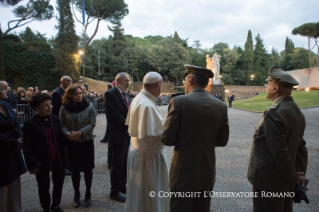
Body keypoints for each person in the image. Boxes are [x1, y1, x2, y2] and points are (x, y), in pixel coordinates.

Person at [161, 65, 229, 212]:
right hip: (206, 172)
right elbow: (222, 141)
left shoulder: (179, 102)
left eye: (185, 80)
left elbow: (167, 139)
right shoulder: (221, 106)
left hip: (183, 173)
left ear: (190, 80)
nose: (185, 83)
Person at [247, 66, 308, 212]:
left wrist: (294, 178)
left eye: (268, 84)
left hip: (270, 182)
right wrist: (299, 173)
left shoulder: (274, 114)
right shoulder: (296, 111)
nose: (266, 87)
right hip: (284, 181)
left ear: (275, 88)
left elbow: (280, 153)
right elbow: (301, 148)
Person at [125, 72, 169, 212]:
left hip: (140, 155)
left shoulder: (140, 98)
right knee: (150, 196)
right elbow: (153, 140)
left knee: (140, 197)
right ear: (157, 85)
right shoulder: (146, 105)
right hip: (149, 160)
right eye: (161, 85)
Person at [23, 93, 66, 212]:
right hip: (41, 161)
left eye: (50, 104)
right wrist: (32, 164)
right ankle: (46, 207)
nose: (50, 107)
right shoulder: (30, 123)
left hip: (58, 158)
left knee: (59, 183)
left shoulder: (55, 119)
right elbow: (27, 146)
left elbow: (61, 139)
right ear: (37, 108)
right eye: (45, 105)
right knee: (43, 185)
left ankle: (56, 205)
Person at [59, 85, 96, 208]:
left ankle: (88, 193)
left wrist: (80, 133)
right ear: (70, 95)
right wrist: (68, 134)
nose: (79, 96)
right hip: (72, 143)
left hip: (86, 142)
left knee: (88, 169)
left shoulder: (89, 106)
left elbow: (92, 123)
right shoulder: (64, 108)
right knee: (75, 170)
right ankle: (77, 194)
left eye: (80, 93)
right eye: (76, 94)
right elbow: (62, 124)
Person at [0, 81, 27, 212]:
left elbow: (16, 122)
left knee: (14, 184)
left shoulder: (5, 105)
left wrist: (20, 138)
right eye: (4, 89)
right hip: (3, 152)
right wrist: (14, 142)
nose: (8, 90)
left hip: (13, 152)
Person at [104, 73, 131, 202]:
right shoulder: (110, 94)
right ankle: (114, 191)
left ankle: (122, 185)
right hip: (117, 135)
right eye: (126, 81)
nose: (128, 83)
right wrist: (129, 125)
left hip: (126, 134)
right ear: (118, 80)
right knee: (117, 164)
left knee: (125, 162)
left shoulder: (125, 94)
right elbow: (114, 115)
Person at [51, 76, 72, 176]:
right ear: (62, 82)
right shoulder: (57, 93)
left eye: (71, 81)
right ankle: (63, 167)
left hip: (67, 122)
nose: (70, 82)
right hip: (60, 122)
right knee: (62, 146)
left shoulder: (68, 91)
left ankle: (68, 165)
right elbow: (55, 110)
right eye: (68, 81)